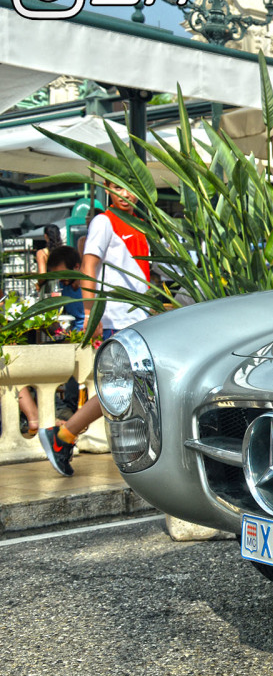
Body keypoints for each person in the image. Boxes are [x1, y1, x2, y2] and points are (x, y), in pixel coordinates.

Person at [39, 182, 151, 477]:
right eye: (117, 187)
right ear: (106, 189)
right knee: (120, 387)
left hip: (140, 319)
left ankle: (67, 437)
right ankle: (64, 437)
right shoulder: (104, 221)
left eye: (130, 187)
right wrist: (91, 312)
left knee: (129, 387)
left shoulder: (140, 225)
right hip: (116, 319)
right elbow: (88, 265)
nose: (126, 194)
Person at [46, 245, 85, 331]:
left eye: (63, 274)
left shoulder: (88, 288)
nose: (60, 279)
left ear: (76, 267)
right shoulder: (62, 286)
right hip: (73, 333)